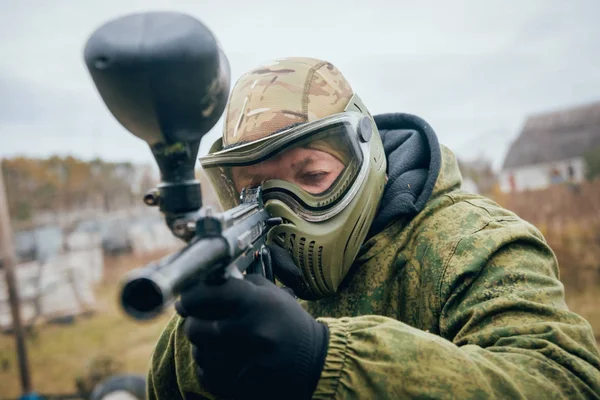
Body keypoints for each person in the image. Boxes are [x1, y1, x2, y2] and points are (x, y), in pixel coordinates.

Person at [147, 57, 600, 399]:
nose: (284, 209)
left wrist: (324, 359)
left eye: (311, 176)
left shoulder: (474, 244)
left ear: (365, 155)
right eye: (257, 190)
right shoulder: (234, 285)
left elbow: (564, 380)